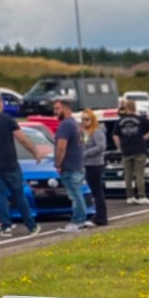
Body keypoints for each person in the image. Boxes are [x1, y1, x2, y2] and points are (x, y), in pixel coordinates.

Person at [0, 95, 40, 238]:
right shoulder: (7, 119)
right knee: (18, 194)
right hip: (9, 162)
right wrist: (34, 151)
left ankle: (6, 227)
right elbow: (21, 138)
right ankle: (31, 225)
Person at [53, 97, 90, 232]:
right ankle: (80, 220)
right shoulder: (75, 124)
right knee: (77, 194)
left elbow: (62, 147)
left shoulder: (65, 125)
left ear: (66, 109)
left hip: (69, 166)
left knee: (75, 195)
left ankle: (78, 221)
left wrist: (58, 163)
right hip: (78, 165)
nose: (55, 112)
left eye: (57, 109)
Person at [114, 99, 149, 205]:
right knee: (139, 174)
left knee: (128, 175)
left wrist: (119, 147)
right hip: (139, 149)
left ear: (126, 108)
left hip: (126, 151)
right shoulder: (141, 119)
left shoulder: (120, 121)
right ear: (135, 108)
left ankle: (130, 197)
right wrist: (146, 137)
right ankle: (142, 196)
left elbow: (115, 135)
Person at [80, 109, 109, 227]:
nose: (84, 122)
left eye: (87, 119)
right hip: (86, 164)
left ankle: (101, 217)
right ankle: (97, 214)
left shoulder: (97, 131)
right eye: (82, 119)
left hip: (95, 164)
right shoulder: (84, 132)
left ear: (92, 120)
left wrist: (86, 153)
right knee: (94, 191)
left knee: (97, 191)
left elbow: (101, 146)